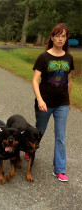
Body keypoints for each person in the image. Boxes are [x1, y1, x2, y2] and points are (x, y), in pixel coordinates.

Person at [31, 23, 74, 182]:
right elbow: (35, 81)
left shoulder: (68, 58)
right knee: (39, 132)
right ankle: (30, 149)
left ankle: (59, 169)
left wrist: (69, 100)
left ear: (66, 38)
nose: (60, 39)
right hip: (45, 103)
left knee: (60, 137)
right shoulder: (43, 57)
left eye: (63, 36)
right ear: (52, 37)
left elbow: (69, 81)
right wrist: (40, 100)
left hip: (62, 103)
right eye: (57, 35)